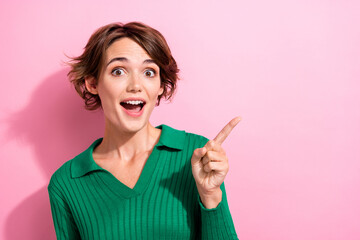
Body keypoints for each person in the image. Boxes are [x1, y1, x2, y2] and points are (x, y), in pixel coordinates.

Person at [48, 21, 240, 239]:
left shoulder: (196, 154)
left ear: (160, 86)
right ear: (93, 83)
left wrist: (211, 195)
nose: (135, 85)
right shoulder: (67, 183)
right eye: (118, 71)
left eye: (149, 72)